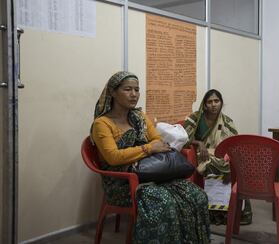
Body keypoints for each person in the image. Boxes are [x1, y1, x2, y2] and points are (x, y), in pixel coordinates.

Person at [90, 71, 210, 243]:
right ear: (113, 93)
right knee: (164, 201)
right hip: (122, 182)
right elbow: (113, 158)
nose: (134, 94)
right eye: (127, 89)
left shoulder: (139, 117)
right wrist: (148, 149)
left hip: (152, 174)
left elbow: (158, 141)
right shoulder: (102, 124)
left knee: (196, 195)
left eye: (137, 90)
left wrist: (149, 149)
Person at [183, 89, 252, 225]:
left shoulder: (226, 122)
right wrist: (199, 143)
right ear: (204, 104)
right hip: (201, 155)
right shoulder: (195, 118)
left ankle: (238, 212)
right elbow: (183, 138)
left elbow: (234, 144)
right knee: (211, 164)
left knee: (236, 166)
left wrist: (229, 158)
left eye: (216, 101)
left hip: (222, 156)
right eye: (210, 102)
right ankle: (214, 213)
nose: (213, 104)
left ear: (221, 103)